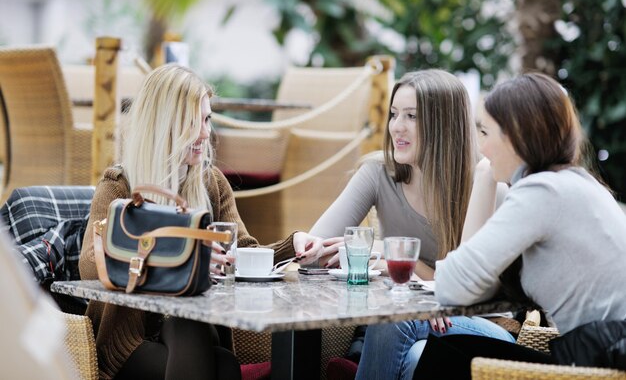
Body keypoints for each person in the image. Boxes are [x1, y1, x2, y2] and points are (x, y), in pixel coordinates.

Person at [78, 64, 324, 380]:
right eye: (194, 121)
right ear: (165, 123)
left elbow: (242, 250)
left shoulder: (211, 184)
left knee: (191, 327)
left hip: (195, 327)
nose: (205, 132)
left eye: (207, 119)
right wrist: (184, 258)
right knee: (224, 367)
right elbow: (88, 265)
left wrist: (294, 245)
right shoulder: (120, 186)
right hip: (129, 340)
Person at [296, 70, 515, 380]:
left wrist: (390, 256)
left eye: (411, 116)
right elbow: (320, 250)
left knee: (396, 319)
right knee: (414, 358)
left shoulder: (489, 187)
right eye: (394, 114)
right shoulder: (378, 173)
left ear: (443, 124)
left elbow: (468, 293)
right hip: (415, 324)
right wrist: (308, 245)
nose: (397, 127)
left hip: (482, 327)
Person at [413, 72, 626, 378]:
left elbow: (452, 286)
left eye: (485, 133)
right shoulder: (574, 182)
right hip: (603, 352)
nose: (481, 149)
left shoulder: (542, 191)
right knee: (450, 349)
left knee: (445, 355)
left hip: (603, 360)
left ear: (514, 137)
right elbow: (477, 283)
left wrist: (484, 177)